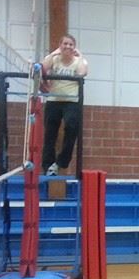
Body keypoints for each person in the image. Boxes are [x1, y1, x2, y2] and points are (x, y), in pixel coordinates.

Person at [41, 34, 88, 176]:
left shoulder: (79, 61)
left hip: (71, 102)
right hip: (53, 100)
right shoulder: (54, 59)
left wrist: (81, 56)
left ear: (75, 47)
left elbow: (82, 72)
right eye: (65, 44)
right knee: (50, 133)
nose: (68, 46)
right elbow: (42, 68)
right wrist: (54, 53)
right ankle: (48, 165)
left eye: (71, 44)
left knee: (72, 128)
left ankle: (61, 162)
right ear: (60, 45)